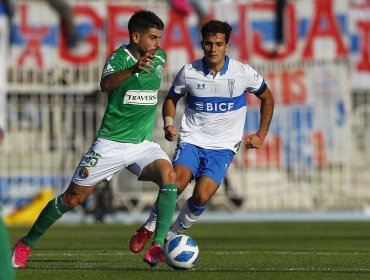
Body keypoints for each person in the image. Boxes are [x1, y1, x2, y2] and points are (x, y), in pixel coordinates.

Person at [11, 10, 177, 269]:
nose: (158, 44)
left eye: (159, 38)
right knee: (72, 199)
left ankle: (156, 244)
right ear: (135, 37)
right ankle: (26, 243)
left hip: (142, 144)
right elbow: (106, 84)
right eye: (153, 38)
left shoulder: (160, 58)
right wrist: (133, 70)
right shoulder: (119, 58)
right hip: (110, 143)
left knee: (170, 177)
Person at [130, 20, 274, 254]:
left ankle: (171, 236)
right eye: (208, 44)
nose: (213, 49)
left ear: (227, 46)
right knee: (176, 184)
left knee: (203, 196)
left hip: (224, 147)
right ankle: (148, 227)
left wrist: (261, 134)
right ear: (202, 45)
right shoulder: (189, 71)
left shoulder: (243, 73)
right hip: (191, 141)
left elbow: (268, 98)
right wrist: (168, 123)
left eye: (219, 44)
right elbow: (171, 99)